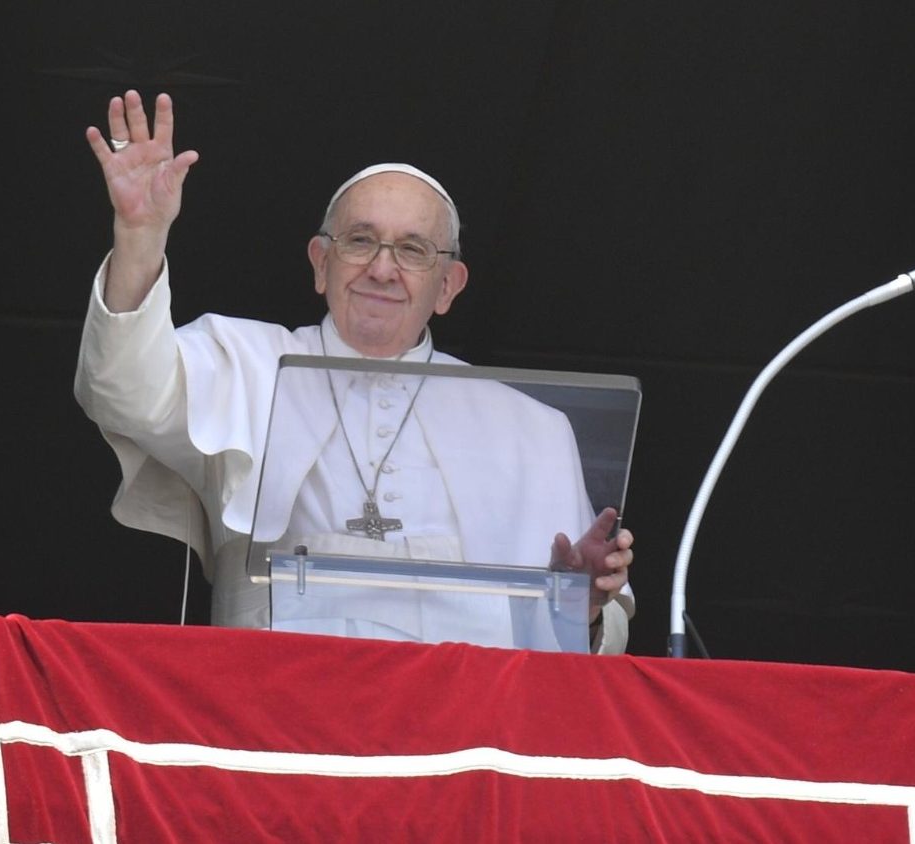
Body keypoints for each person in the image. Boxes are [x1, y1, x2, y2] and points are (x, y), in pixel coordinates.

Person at [74, 90, 635, 652]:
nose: (383, 269)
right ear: (321, 263)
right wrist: (140, 237)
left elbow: (592, 649)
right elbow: (121, 387)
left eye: (414, 250)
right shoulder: (241, 360)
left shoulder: (530, 428)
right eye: (360, 241)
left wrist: (580, 605)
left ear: (448, 287)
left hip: (463, 723)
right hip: (272, 709)